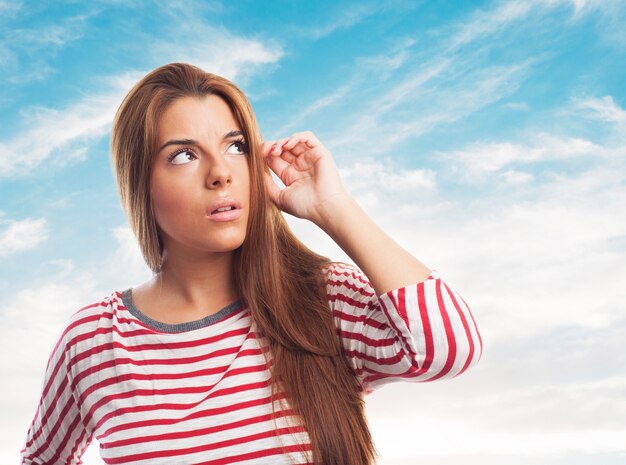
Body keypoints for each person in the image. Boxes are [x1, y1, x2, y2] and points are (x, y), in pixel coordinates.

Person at [20, 63, 482, 465]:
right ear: (140, 183)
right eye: (183, 155)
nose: (220, 172)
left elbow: (449, 348)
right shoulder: (94, 341)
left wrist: (333, 208)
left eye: (236, 146)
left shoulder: (321, 300)